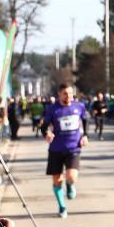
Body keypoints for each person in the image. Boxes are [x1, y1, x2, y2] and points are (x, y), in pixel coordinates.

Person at [41, 83, 89, 219]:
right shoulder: (52, 109)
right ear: (59, 94)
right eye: (65, 94)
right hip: (56, 148)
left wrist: (85, 136)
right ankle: (62, 207)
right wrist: (46, 134)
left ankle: (69, 184)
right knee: (56, 180)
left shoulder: (79, 106)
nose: (69, 96)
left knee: (71, 176)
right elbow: (44, 126)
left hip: (73, 147)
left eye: (70, 93)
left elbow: (85, 121)